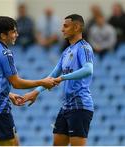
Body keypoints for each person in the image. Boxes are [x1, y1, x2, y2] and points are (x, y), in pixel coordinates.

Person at [0, 16, 58, 146]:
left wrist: (8, 94)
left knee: (15, 143)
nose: (17, 34)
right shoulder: (5, 53)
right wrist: (43, 82)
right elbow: (16, 83)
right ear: (3, 35)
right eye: (13, 32)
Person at [22, 14, 94, 146]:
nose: (62, 29)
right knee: (57, 143)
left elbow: (88, 69)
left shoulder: (84, 47)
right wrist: (36, 92)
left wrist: (62, 78)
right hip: (66, 106)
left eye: (65, 26)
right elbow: (53, 75)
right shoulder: (66, 51)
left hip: (80, 105)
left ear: (77, 27)